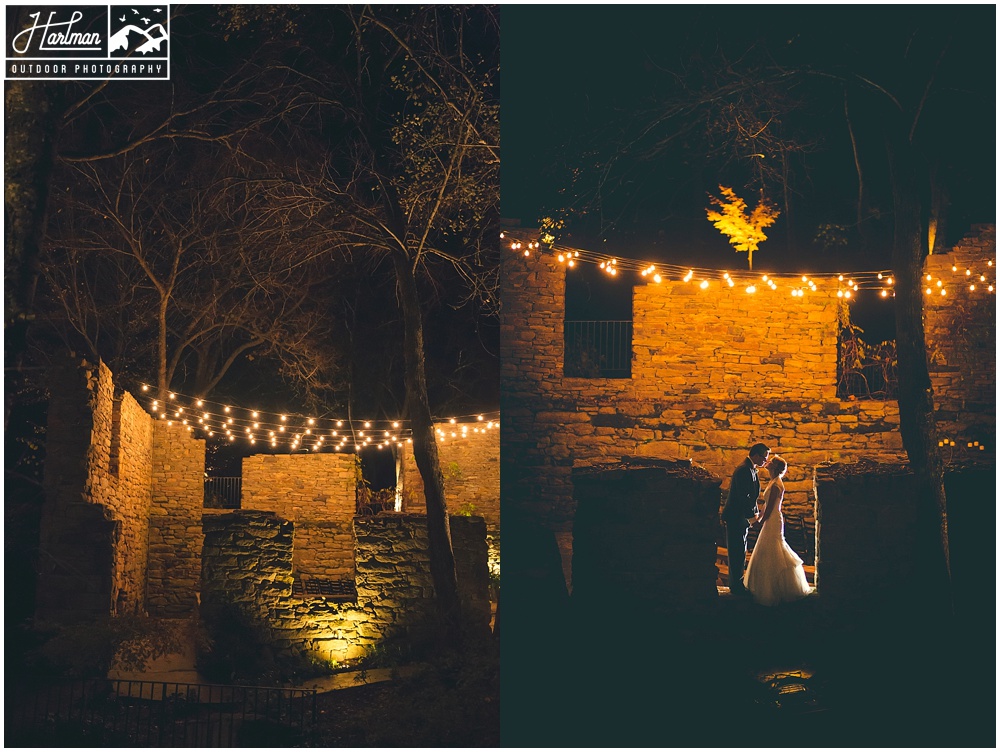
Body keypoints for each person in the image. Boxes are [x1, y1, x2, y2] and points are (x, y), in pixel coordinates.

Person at [743, 455, 812, 606]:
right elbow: (766, 505)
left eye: (770, 462)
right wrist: (758, 517)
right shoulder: (773, 481)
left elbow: (771, 507)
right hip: (771, 517)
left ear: (774, 467)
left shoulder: (776, 484)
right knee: (768, 549)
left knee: (774, 547)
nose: (766, 463)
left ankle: (777, 587)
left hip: (774, 519)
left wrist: (762, 521)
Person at [722, 442, 770, 596]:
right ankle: (736, 586)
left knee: (740, 550)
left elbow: (752, 497)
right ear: (756, 455)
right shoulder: (744, 470)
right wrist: (753, 519)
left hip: (740, 517)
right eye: (764, 457)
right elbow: (744, 497)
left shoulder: (750, 469)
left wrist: (755, 513)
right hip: (736, 517)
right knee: (736, 551)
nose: (765, 461)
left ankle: (738, 583)